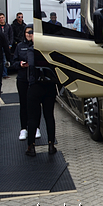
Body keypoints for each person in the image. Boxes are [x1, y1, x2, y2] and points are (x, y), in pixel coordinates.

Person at [24, 24, 58, 156]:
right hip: (49, 86)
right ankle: (51, 145)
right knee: (49, 116)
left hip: (35, 86)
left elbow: (31, 64)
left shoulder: (32, 50)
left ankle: (31, 146)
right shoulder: (50, 50)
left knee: (33, 118)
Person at [13, 25, 40, 140]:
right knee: (23, 104)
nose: (29, 34)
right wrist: (20, 64)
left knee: (35, 105)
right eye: (27, 32)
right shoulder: (19, 46)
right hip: (22, 79)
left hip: (35, 80)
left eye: (31, 32)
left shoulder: (38, 46)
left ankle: (36, 127)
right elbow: (13, 62)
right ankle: (23, 128)